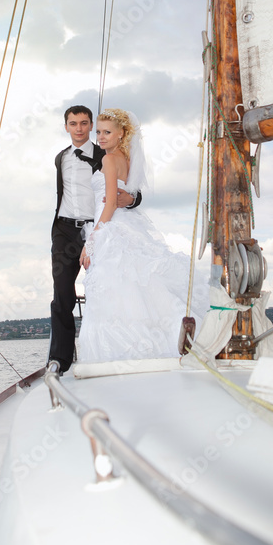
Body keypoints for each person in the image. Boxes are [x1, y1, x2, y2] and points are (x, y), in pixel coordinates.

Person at [77, 108, 201, 364]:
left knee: (117, 291)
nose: (100, 137)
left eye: (107, 132)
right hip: (125, 225)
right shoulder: (126, 158)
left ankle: (120, 355)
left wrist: (90, 244)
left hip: (111, 229)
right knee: (136, 287)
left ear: (122, 133)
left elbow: (110, 203)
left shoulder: (110, 160)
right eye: (98, 131)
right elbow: (123, 196)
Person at [48, 105, 141, 373]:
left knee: (102, 289)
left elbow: (129, 189)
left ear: (90, 126)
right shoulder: (60, 158)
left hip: (97, 228)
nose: (79, 128)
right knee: (62, 293)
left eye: (84, 123)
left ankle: (102, 348)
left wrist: (132, 199)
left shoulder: (107, 153)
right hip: (64, 230)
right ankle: (59, 360)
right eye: (73, 123)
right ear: (66, 126)